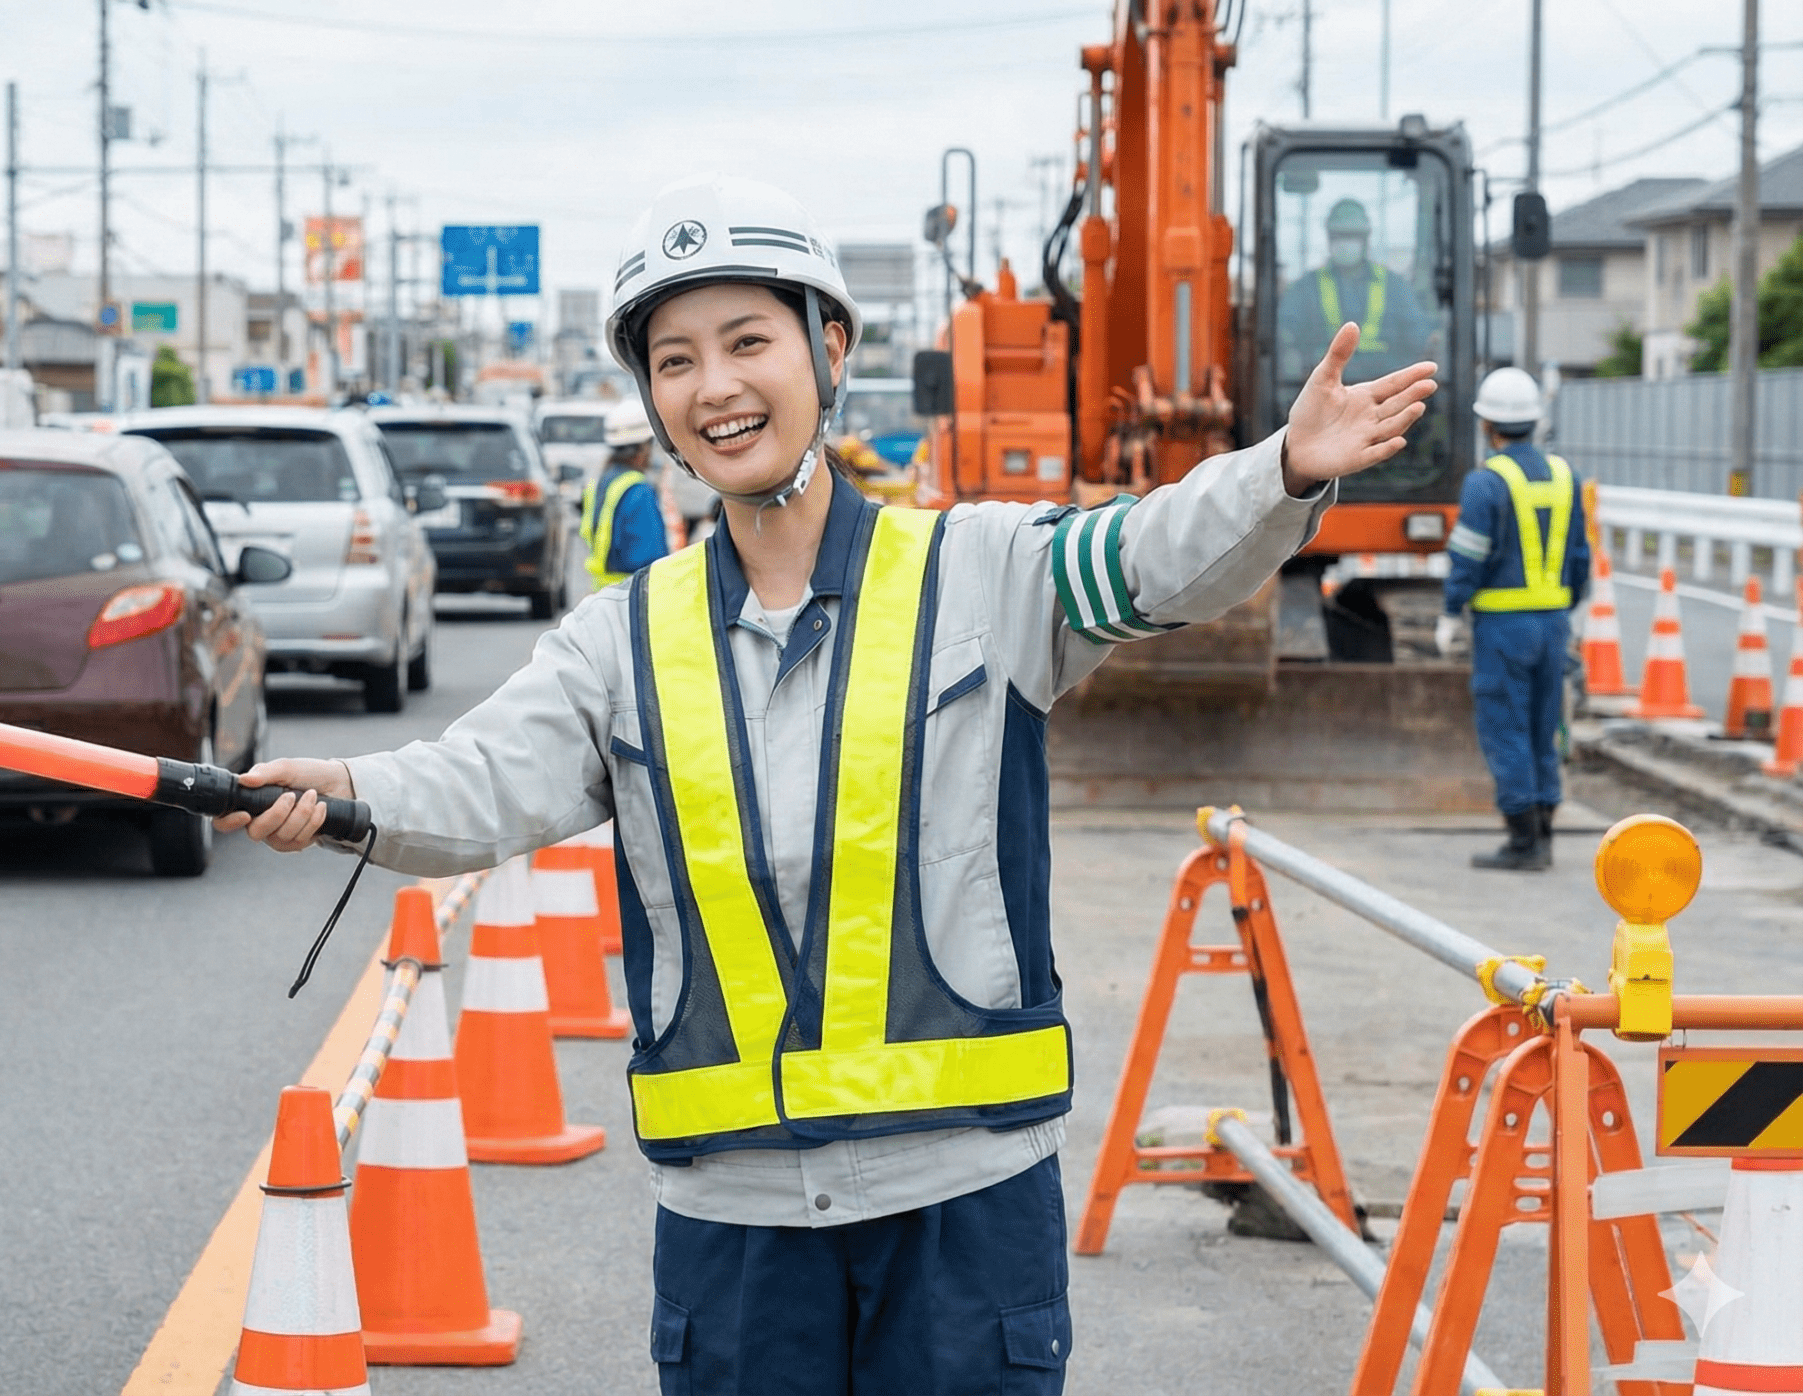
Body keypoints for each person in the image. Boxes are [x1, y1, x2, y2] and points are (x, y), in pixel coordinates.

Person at [220, 174, 1435, 1393]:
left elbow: (1149, 552)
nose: (716, 387)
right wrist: (338, 784)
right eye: (677, 359)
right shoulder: (622, 639)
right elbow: (477, 779)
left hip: (962, 1202)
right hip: (734, 1219)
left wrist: (1281, 470)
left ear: (829, 346)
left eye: (749, 342)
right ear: (651, 396)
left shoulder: (978, 570)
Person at [1437, 367, 1587, 872]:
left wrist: (1450, 610)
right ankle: (1543, 832)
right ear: (1534, 422)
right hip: (1554, 625)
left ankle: (1523, 841)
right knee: (1545, 727)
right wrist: (1568, 608)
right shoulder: (1567, 477)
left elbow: (1467, 557)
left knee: (1506, 727)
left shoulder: (1485, 484)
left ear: (1487, 425)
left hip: (1504, 630)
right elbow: (1580, 559)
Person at [1278, 198, 1437, 382]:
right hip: (1323, 390)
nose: (1346, 242)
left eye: (1353, 236)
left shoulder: (1395, 287)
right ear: (1330, 239)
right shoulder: (1304, 289)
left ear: (1365, 239)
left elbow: (1418, 339)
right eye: (1339, 236)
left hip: (1385, 391)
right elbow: (1285, 337)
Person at [580, 397, 673, 590]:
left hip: (603, 591)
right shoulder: (639, 491)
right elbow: (651, 556)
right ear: (642, 448)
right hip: (634, 593)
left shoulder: (599, 483)